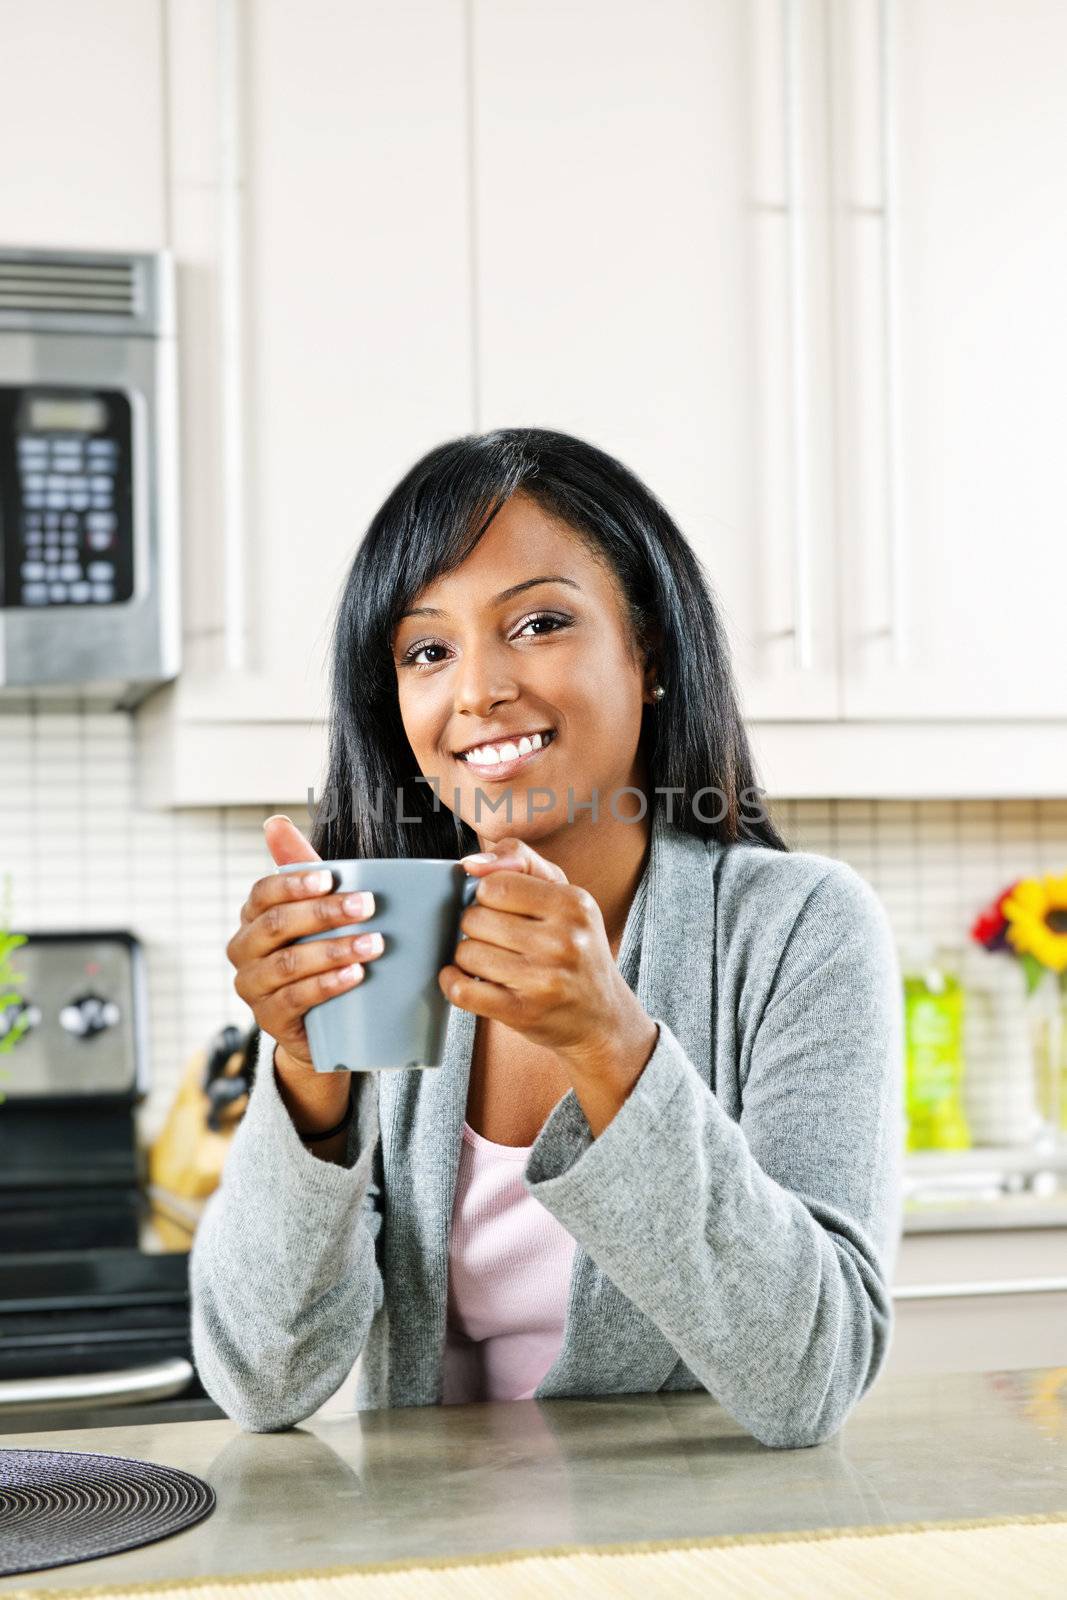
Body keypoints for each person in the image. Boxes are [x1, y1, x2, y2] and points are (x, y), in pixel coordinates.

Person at [190, 428, 903, 1449]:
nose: (475, 689)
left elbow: (810, 1371)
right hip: (437, 1561)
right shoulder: (383, 937)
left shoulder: (799, 929)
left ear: (646, 652)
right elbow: (262, 1380)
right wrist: (307, 1077)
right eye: (426, 649)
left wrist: (612, 1045)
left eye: (536, 623)